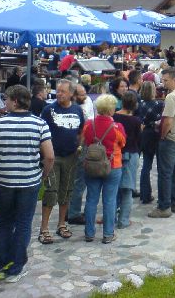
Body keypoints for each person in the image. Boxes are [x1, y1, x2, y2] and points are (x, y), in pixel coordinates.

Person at [0, 85, 54, 282]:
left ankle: (0, 264)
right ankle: (15, 269)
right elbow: (49, 156)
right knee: (23, 224)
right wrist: (42, 175)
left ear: (15, 101)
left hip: (5, 183)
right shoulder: (39, 124)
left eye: (6, 99)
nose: (4, 103)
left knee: (5, 222)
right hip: (29, 183)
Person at [38, 79, 84, 244]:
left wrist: (79, 147)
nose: (59, 94)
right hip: (53, 157)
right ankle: (44, 228)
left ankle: (61, 224)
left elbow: (81, 130)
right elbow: (41, 132)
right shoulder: (48, 110)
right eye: (57, 91)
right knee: (51, 191)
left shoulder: (77, 110)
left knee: (66, 191)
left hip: (71, 157)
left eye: (62, 91)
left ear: (71, 93)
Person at [82, 94, 126, 244]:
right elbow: (123, 143)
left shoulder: (89, 124)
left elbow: (85, 140)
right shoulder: (117, 127)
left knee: (91, 199)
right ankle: (108, 233)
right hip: (112, 165)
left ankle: (89, 233)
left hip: (92, 165)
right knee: (110, 200)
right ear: (110, 109)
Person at [148, 68, 175, 218]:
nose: (163, 83)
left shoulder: (171, 97)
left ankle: (164, 206)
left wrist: (162, 136)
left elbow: (167, 121)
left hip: (171, 139)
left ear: (174, 79)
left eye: (165, 80)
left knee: (165, 174)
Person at [66, 84, 96, 225]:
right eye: (81, 94)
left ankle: (69, 210)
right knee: (78, 180)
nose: (84, 96)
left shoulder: (87, 101)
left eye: (85, 93)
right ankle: (73, 213)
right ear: (73, 95)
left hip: (81, 144)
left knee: (75, 180)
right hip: (77, 146)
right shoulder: (72, 108)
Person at [112, 91, 141, 229]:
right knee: (127, 190)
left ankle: (111, 217)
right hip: (131, 153)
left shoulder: (114, 117)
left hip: (115, 154)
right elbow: (138, 138)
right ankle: (123, 220)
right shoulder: (135, 121)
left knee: (113, 189)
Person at [138, 81, 164, 205]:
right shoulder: (159, 104)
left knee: (146, 166)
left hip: (145, 135)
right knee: (161, 167)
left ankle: (145, 194)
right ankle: (162, 195)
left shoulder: (139, 105)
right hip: (157, 134)